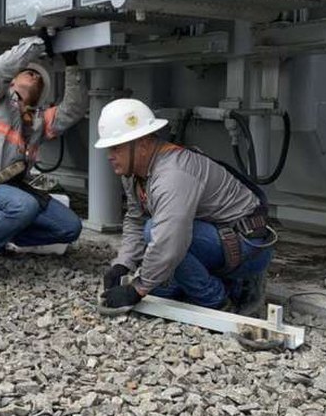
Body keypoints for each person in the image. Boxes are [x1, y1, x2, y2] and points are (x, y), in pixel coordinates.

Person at [94, 98, 275, 316]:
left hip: (249, 248)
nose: (109, 156)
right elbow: (135, 218)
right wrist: (123, 263)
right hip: (221, 237)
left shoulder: (173, 174)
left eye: (115, 148)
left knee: (156, 233)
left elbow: (169, 239)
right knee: (161, 284)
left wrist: (137, 288)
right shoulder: (134, 173)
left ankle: (218, 300)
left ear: (141, 145)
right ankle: (222, 285)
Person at [0, 36, 87, 286]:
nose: (35, 76)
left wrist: (72, 65)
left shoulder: (39, 121)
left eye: (39, 78)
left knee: (70, 227)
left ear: (42, 94)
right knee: (23, 206)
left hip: (9, 191)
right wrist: (37, 45)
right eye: (28, 72)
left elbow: (74, 109)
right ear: (13, 80)